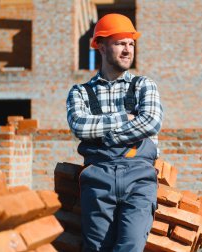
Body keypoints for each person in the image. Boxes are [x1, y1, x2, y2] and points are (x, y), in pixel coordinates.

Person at [66, 13, 163, 252]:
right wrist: (125, 119)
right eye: (120, 43)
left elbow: (150, 122)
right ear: (100, 45)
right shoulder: (80, 92)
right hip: (97, 180)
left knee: (130, 246)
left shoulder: (144, 85)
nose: (128, 50)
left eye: (131, 44)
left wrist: (106, 137)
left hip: (139, 179)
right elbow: (79, 125)